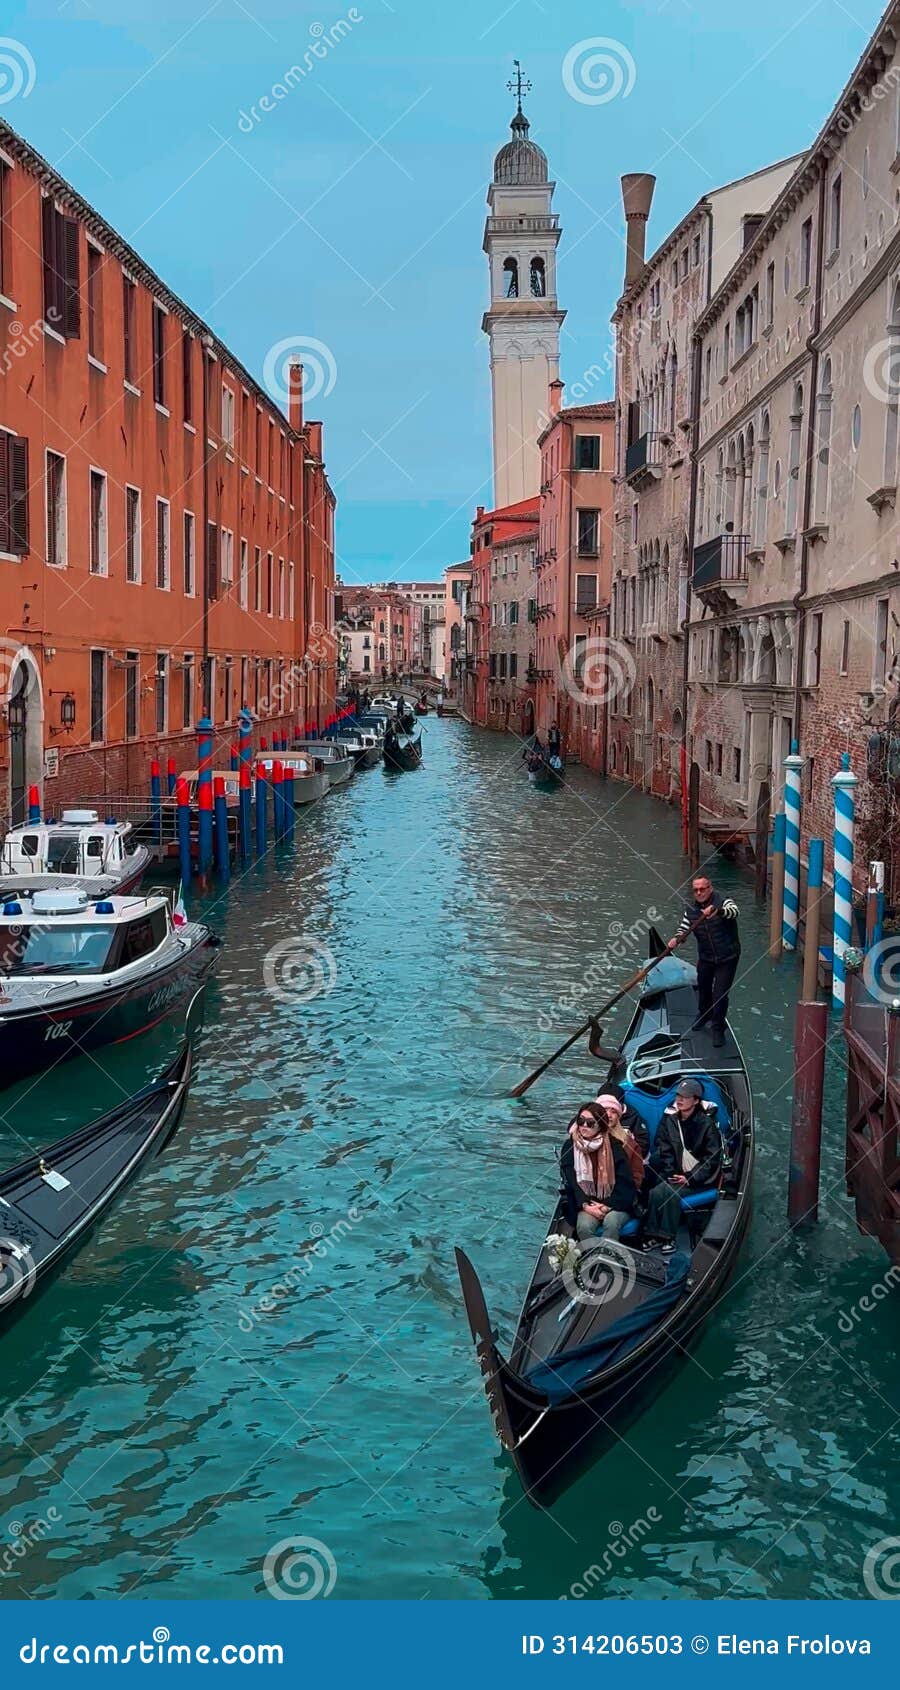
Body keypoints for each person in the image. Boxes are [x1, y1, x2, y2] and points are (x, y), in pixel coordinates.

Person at [641, 1078, 723, 1254]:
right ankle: (652, 1235)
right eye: (678, 1095)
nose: (679, 1100)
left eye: (685, 1097)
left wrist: (690, 1177)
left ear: (695, 1100)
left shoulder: (707, 1124)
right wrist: (672, 1173)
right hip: (678, 1172)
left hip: (702, 1176)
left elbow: (712, 1158)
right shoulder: (671, 1121)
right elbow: (666, 1149)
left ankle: (667, 1237)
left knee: (671, 1193)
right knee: (656, 1192)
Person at [667, 873, 740, 1047]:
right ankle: (704, 1013)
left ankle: (717, 1028)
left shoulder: (724, 901)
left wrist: (717, 911)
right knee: (703, 987)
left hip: (727, 957)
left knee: (720, 994)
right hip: (706, 957)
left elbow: (734, 912)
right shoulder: (691, 912)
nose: (699, 893)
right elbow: (684, 929)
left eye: (702, 889)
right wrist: (677, 939)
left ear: (710, 888)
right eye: (696, 890)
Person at [560, 1101, 637, 1242]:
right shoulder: (569, 1146)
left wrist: (606, 1205)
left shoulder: (615, 1147)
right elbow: (571, 1182)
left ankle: (608, 1258)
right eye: (580, 1121)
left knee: (611, 1223)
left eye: (590, 1123)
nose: (583, 1126)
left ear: (600, 1125)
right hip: (586, 1202)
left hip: (617, 1202)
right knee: (583, 1226)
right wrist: (586, 1205)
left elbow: (625, 1183)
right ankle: (594, 1257)